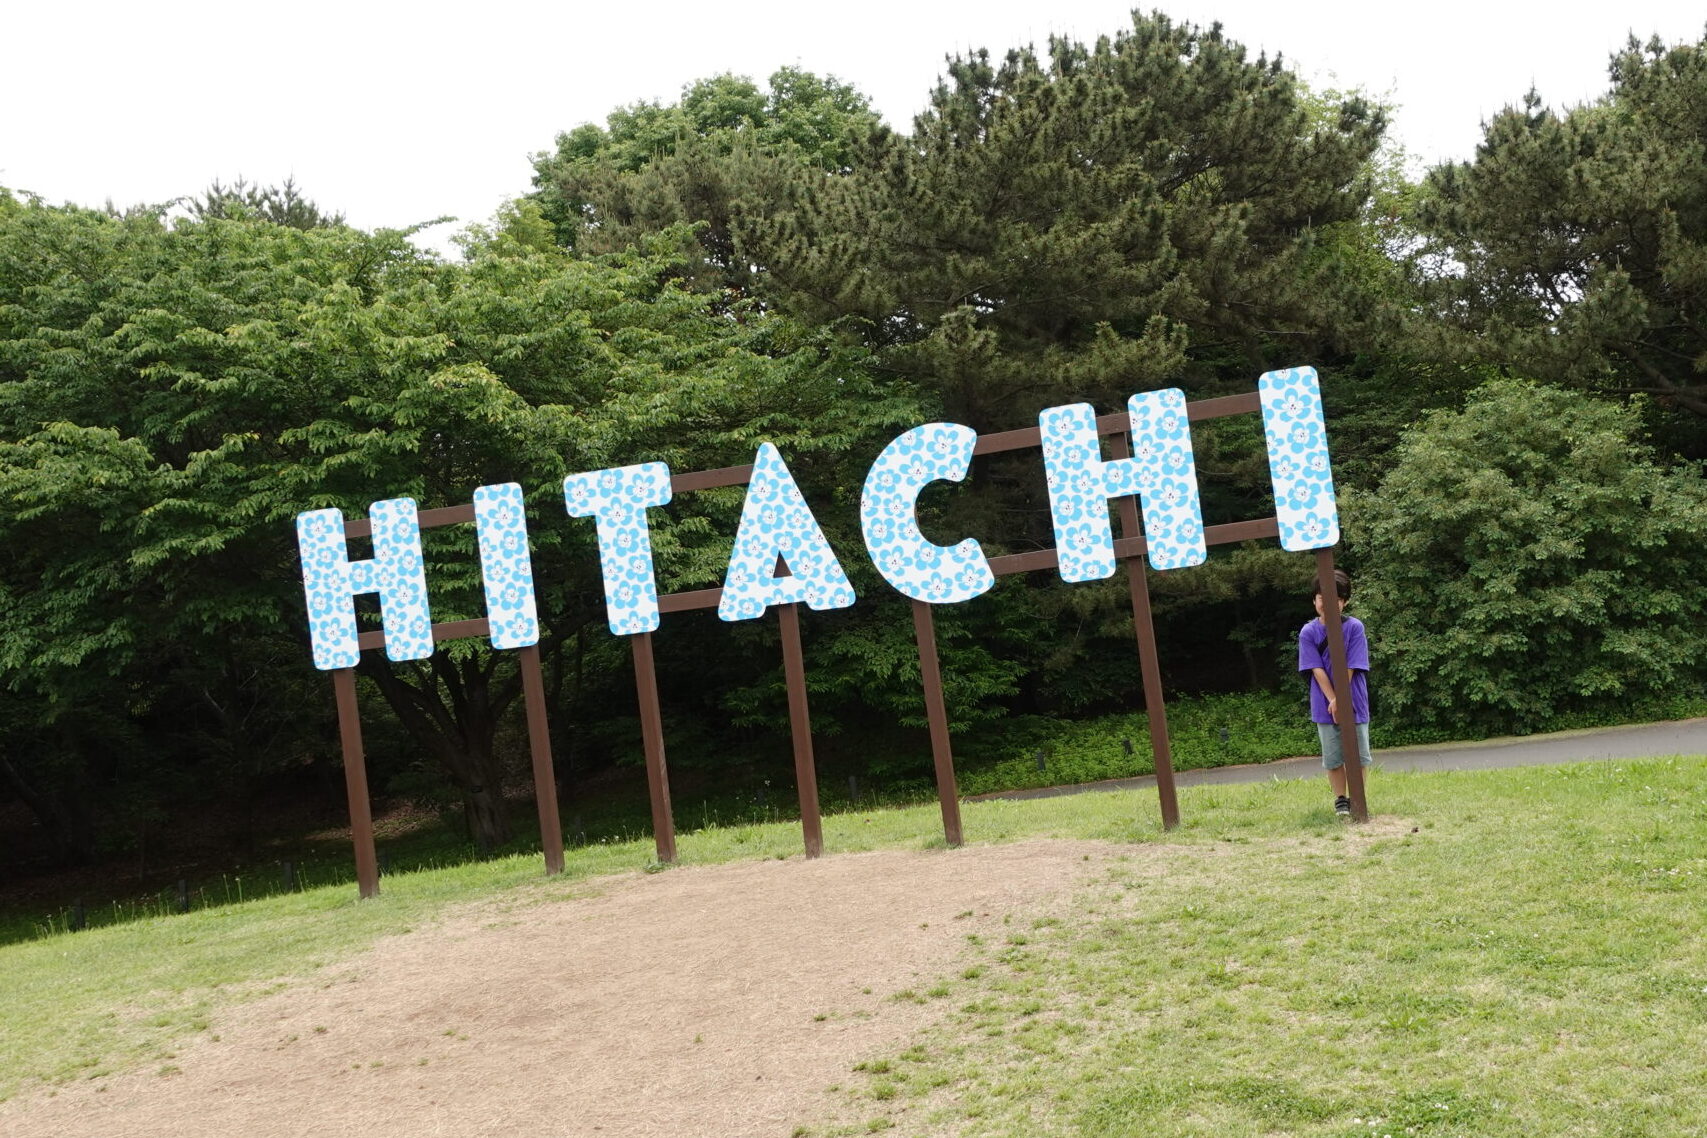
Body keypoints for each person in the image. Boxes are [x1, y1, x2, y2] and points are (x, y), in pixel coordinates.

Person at [1299, 569, 1370, 817]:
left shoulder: (1354, 627)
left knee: (1359, 753)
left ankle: (1358, 798)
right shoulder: (1308, 633)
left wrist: (1341, 698)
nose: (1327, 604)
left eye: (1336, 599)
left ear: (1345, 601)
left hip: (1354, 700)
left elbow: (1353, 665)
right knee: (1332, 755)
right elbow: (1315, 669)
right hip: (1323, 703)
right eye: (1321, 598)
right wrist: (1332, 699)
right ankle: (1341, 800)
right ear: (1314, 600)